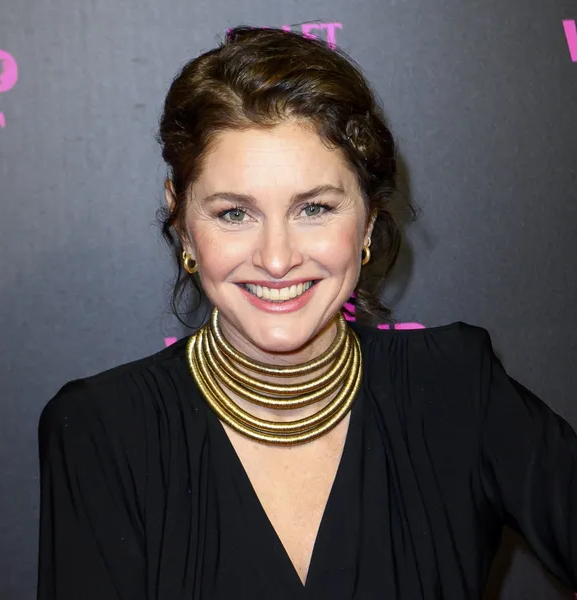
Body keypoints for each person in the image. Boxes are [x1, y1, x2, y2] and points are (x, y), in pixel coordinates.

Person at [36, 26, 577, 599]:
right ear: (184, 224)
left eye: (314, 208)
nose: (277, 259)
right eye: (234, 214)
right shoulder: (103, 430)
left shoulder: (457, 387)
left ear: (368, 221)